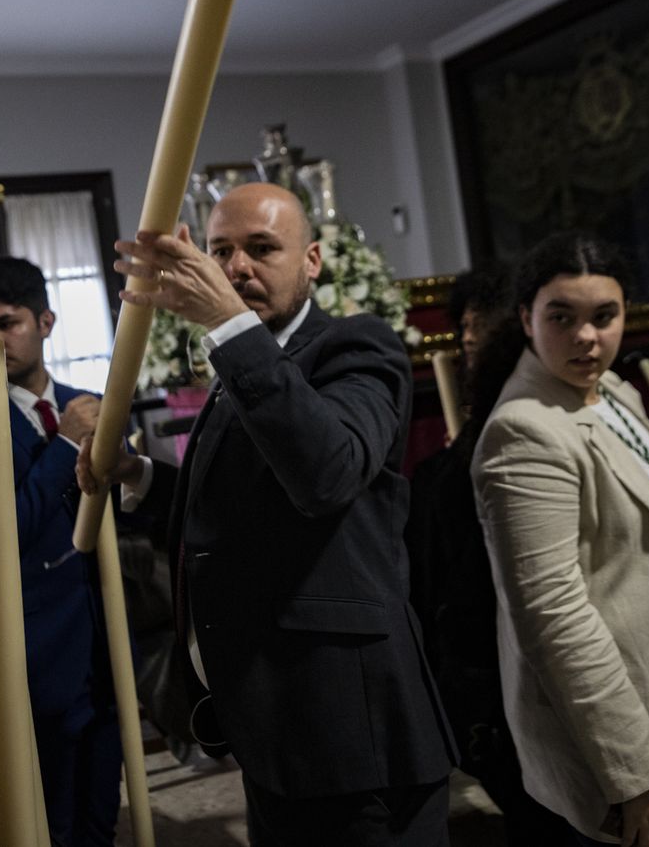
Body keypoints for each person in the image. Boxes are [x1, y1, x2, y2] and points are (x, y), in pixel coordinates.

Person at [77, 182, 457, 846]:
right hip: (274, 725)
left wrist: (229, 326)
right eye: (221, 250)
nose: (238, 267)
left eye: (261, 248)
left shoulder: (355, 347)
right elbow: (243, 508)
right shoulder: (242, 363)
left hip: (354, 733)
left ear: (312, 260)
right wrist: (137, 475)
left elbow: (327, 472)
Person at [469, 233, 649, 847]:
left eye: (604, 317)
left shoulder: (610, 388)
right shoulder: (525, 430)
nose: (586, 337)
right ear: (526, 318)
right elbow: (553, 617)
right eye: (562, 317)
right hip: (624, 719)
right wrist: (638, 774)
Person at [0, 257, 119, 847]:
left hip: (106, 640)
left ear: (45, 322)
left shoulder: (88, 403)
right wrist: (66, 444)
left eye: (7, 323)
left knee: (104, 811)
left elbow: (124, 517)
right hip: (39, 650)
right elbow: (1, 532)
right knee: (53, 819)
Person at [406, 267, 573, 845]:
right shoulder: (467, 446)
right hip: (485, 668)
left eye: (483, 330)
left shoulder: (535, 419)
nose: (470, 343)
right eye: (465, 332)